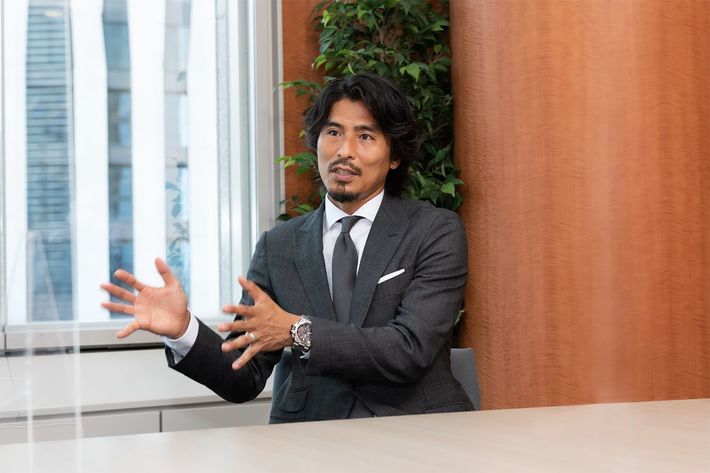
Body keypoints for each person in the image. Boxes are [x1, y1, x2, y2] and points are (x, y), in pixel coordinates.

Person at [101, 72, 473, 422]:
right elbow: (243, 376)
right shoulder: (278, 245)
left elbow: (409, 349)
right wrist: (184, 329)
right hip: (311, 437)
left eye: (365, 136)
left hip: (416, 431)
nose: (344, 150)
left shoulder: (434, 230)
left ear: (394, 156)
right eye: (333, 132)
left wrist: (298, 331)